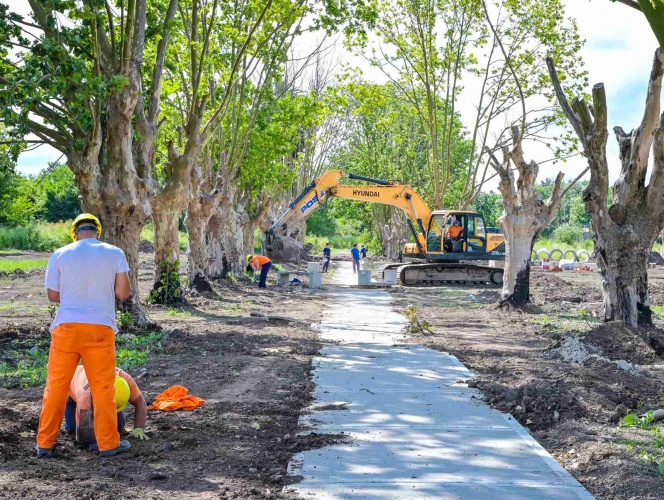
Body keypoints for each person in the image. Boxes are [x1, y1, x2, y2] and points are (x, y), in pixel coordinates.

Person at [36, 214, 132, 458]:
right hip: (100, 328)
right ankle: (108, 444)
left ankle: (45, 444)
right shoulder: (115, 253)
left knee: (56, 387)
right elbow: (123, 293)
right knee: (103, 388)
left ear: (74, 232)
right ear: (97, 232)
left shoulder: (60, 254)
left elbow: (53, 296)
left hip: (66, 329)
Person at [65, 365, 149, 447]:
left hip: (93, 387)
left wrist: (138, 428)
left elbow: (141, 403)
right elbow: (84, 430)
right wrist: (95, 444)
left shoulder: (125, 379)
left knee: (118, 427)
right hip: (73, 383)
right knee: (73, 428)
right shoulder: (85, 395)